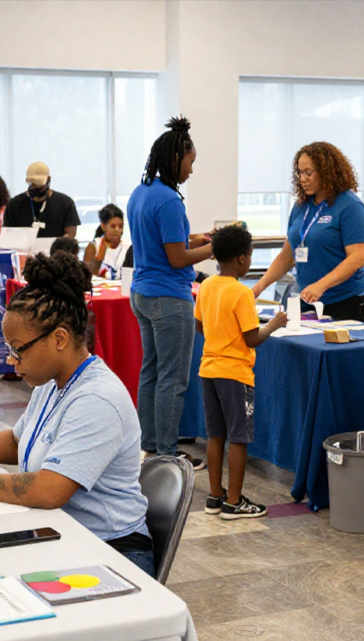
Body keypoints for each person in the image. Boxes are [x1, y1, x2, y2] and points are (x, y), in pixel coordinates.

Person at [0, 251, 154, 575]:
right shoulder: (52, 383)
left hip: (111, 552)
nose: (11, 361)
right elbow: (16, 441)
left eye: (17, 349)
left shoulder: (97, 399)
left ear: (59, 339)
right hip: (64, 534)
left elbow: (47, 491)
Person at [127, 116, 213, 468]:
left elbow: (164, 241)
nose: (192, 170)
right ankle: (167, 452)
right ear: (177, 158)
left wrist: (199, 239)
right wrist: (216, 249)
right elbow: (177, 258)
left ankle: (149, 444)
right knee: (173, 379)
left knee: (151, 371)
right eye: (191, 162)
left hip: (142, 294)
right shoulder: (170, 201)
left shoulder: (141, 193)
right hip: (168, 297)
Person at [195, 224, 287, 520]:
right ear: (242, 259)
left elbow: (200, 326)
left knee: (215, 435)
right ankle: (234, 502)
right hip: (235, 374)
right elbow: (251, 339)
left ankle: (215, 495)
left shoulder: (207, 285)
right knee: (238, 437)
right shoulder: (242, 293)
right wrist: (274, 325)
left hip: (208, 370)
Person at [251, 142, 364, 321]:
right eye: (299, 173)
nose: (303, 178)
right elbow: (286, 256)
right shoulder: (301, 206)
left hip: (345, 300)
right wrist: (259, 287)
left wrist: (321, 286)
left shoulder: (350, 206)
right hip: (308, 299)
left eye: (308, 173)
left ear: (327, 171)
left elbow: (357, 258)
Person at [4, 162, 80, 239]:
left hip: (56, 250)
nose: (36, 188)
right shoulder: (14, 204)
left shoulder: (65, 203)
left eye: (40, 185)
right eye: (33, 184)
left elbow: (70, 234)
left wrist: (54, 246)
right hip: (23, 250)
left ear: (48, 180)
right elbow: (8, 234)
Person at [84, 203, 129, 279]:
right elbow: (87, 276)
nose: (117, 230)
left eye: (120, 226)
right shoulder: (94, 246)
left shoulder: (127, 246)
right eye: (113, 226)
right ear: (103, 226)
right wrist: (103, 249)